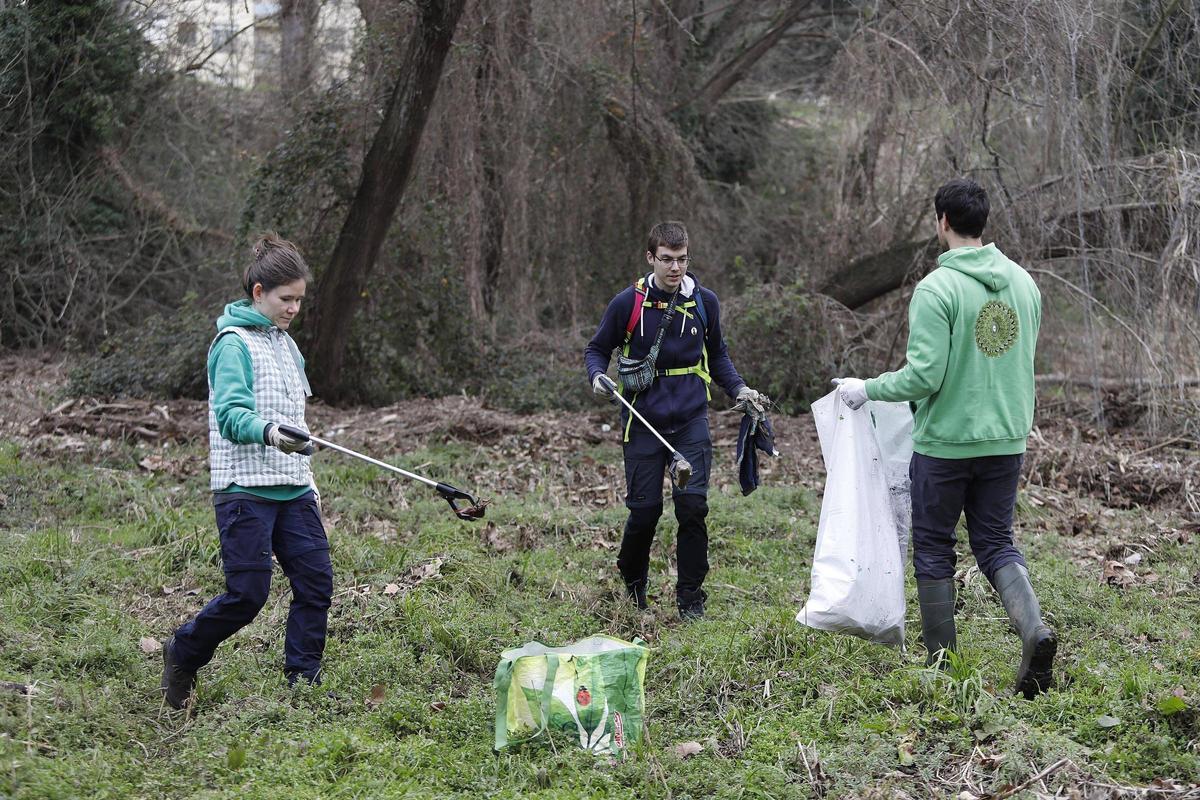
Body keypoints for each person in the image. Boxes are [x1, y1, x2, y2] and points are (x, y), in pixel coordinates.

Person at [833, 178, 1056, 698]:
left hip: (946, 445)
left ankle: (944, 669)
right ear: (983, 224)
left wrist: (866, 388)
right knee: (996, 542)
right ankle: (1033, 630)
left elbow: (923, 377)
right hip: (1006, 440)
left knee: (934, 546)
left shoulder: (937, 290)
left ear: (942, 223)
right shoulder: (1025, 284)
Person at [161, 233, 332, 709]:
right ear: (259, 293)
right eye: (285, 298)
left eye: (299, 299)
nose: (294, 308)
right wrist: (271, 433)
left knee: (316, 585)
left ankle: (303, 680)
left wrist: (310, 484)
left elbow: (298, 422)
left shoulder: (288, 347)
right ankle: (184, 650)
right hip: (245, 491)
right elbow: (232, 416)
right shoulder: (231, 344)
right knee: (248, 595)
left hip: (294, 491)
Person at [585, 221, 761, 620]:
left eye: (682, 260)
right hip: (642, 420)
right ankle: (633, 584)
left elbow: (718, 356)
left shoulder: (704, 303)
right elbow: (597, 349)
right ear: (651, 258)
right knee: (645, 512)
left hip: (691, 421)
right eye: (666, 260)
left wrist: (740, 389)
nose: (675, 268)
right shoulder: (627, 304)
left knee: (693, 507)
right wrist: (598, 376)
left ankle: (690, 600)